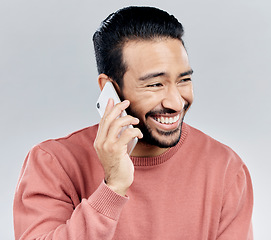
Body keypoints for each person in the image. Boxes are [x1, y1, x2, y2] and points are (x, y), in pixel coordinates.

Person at [13, 6, 253, 240]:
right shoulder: (54, 164)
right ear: (109, 88)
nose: (176, 102)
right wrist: (113, 187)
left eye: (183, 80)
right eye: (155, 84)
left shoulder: (226, 169)